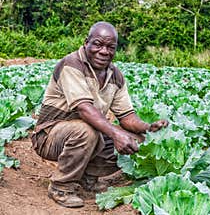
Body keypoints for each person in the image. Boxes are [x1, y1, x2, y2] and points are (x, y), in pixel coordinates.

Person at [31, 21, 169, 208]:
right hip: (50, 136)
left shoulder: (115, 76)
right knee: (88, 131)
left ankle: (87, 177)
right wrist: (116, 134)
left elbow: (127, 117)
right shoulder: (72, 64)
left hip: (87, 133)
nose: (104, 51)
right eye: (98, 44)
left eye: (110, 47)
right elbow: (84, 109)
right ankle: (61, 186)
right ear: (86, 42)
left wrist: (147, 127)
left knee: (136, 140)